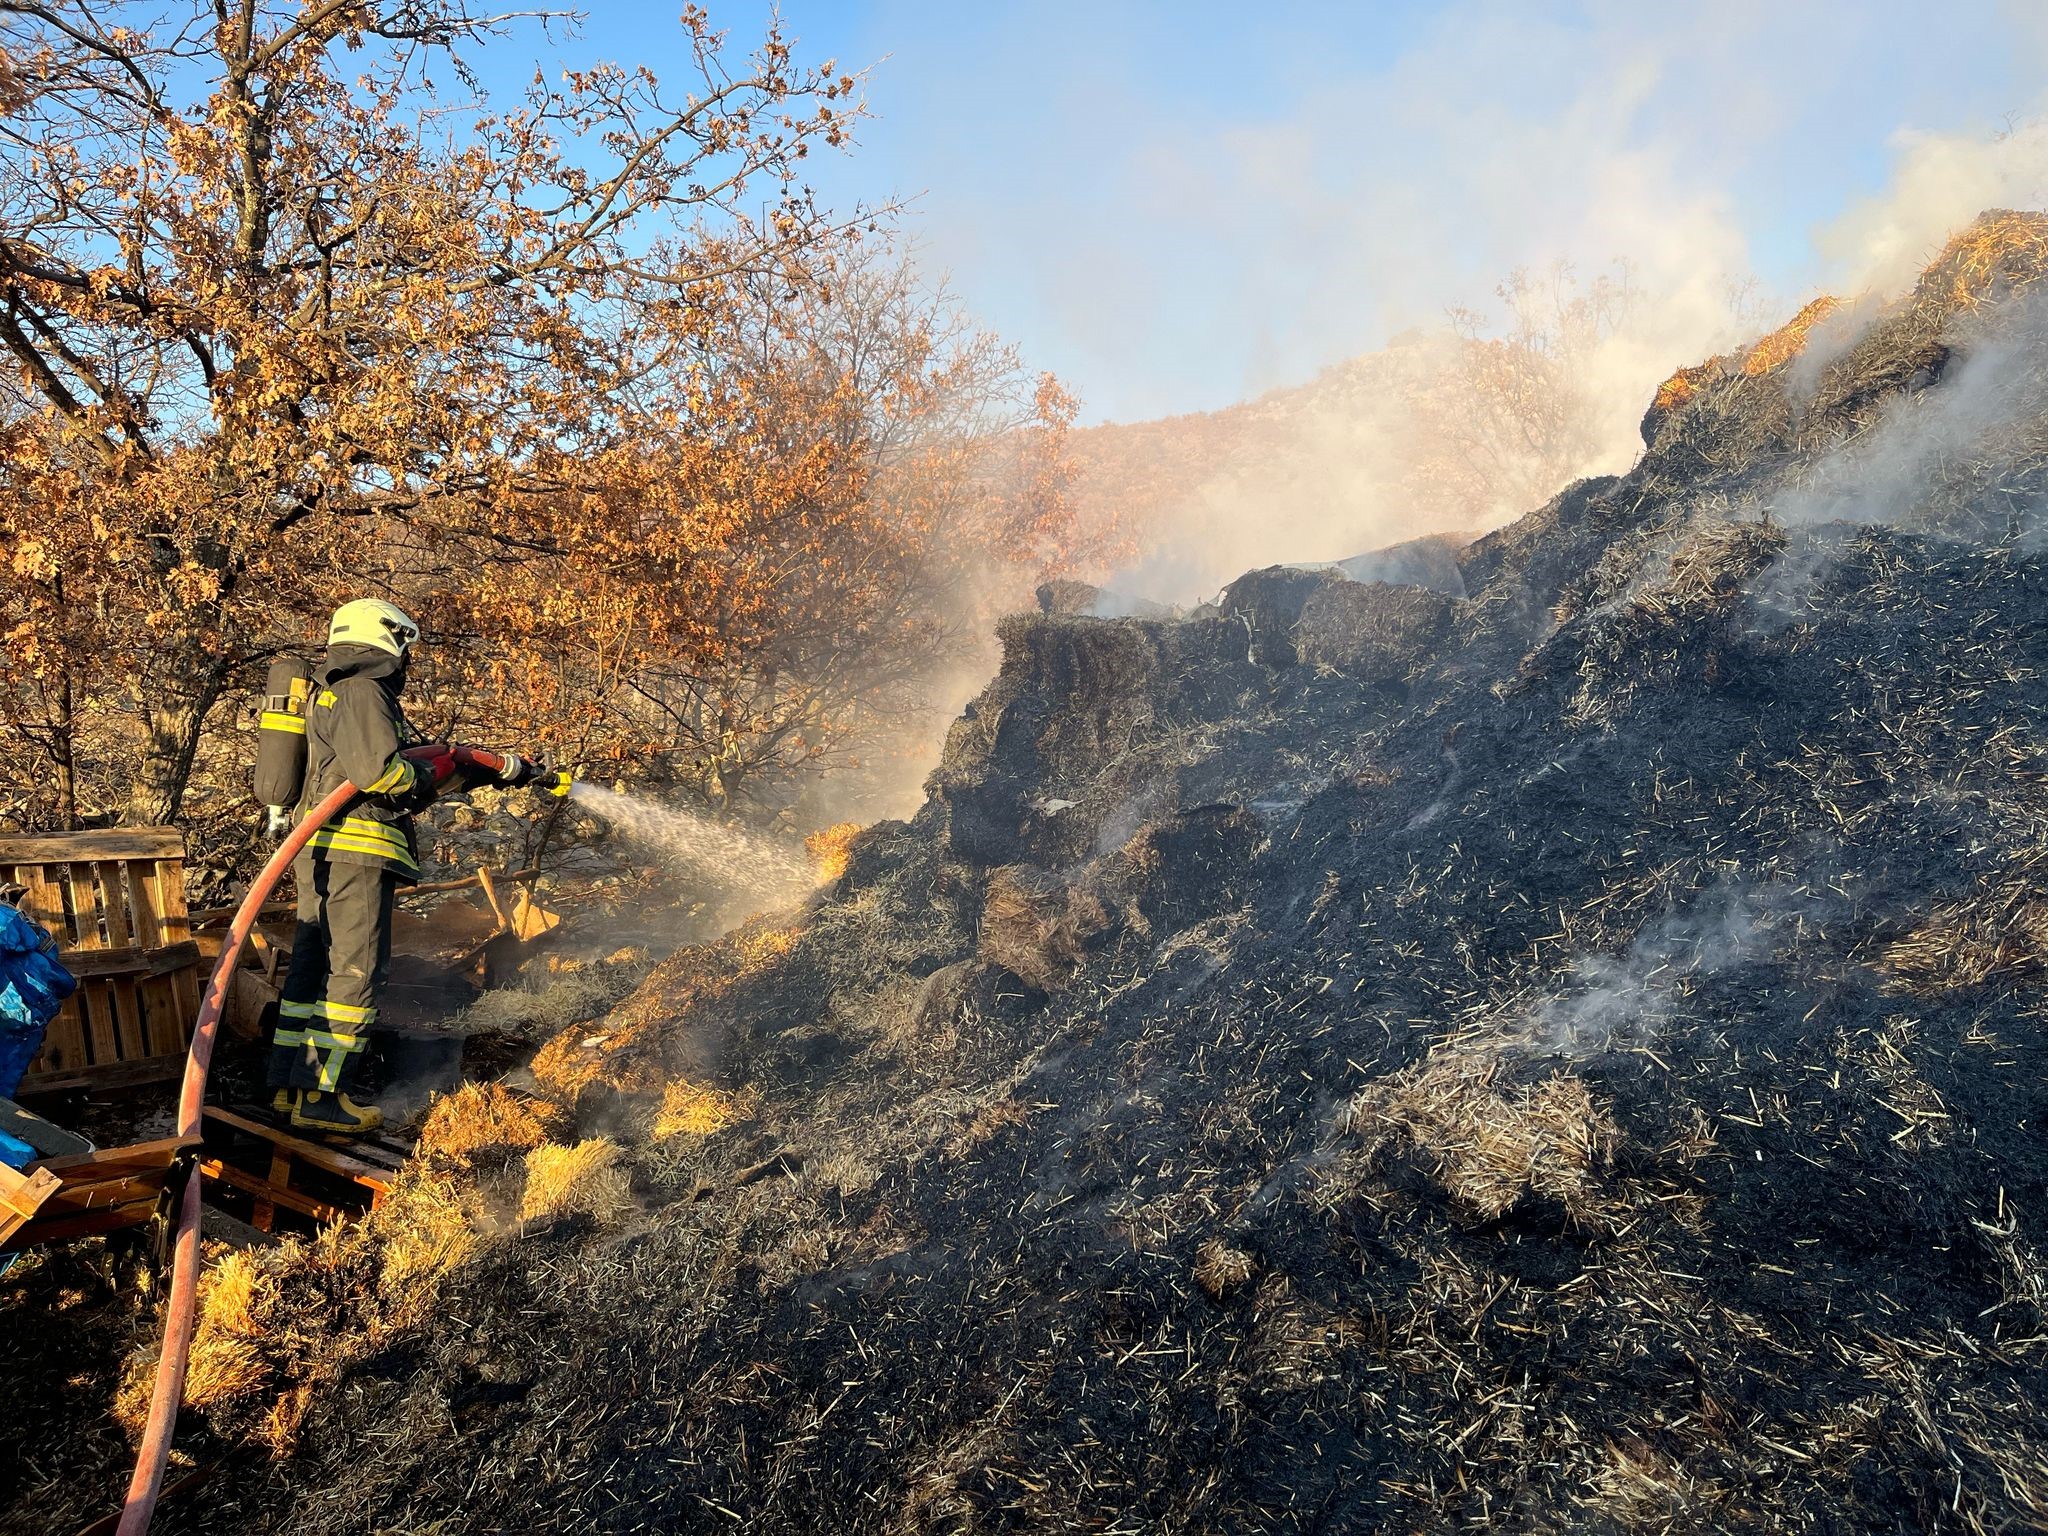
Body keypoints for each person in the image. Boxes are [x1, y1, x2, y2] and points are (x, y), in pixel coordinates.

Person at [267, 599, 543, 1134]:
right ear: (386, 636)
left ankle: (289, 1086)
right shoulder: (364, 688)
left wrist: (490, 768)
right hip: (358, 852)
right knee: (356, 972)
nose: (407, 657)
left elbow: (383, 763)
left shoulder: (332, 690)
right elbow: (384, 774)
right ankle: (323, 1097)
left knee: (313, 969)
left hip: (321, 851)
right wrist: (427, 778)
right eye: (404, 643)